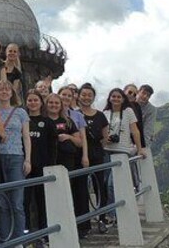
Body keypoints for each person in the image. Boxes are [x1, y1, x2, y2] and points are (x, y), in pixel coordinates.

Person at [0, 79, 30, 242]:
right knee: (1, 203)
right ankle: (5, 241)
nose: (4, 91)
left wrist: (28, 159)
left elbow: (26, 137)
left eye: (7, 89)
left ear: (12, 93)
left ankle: (19, 240)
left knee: (17, 203)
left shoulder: (21, 112)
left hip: (16, 156)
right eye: (1, 89)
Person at [58, 85, 90, 237]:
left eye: (69, 96)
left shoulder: (76, 115)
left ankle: (82, 225)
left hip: (76, 155)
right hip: (61, 157)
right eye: (63, 95)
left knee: (80, 190)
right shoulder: (52, 112)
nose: (66, 98)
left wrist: (85, 156)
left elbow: (83, 137)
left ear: (73, 98)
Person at [77, 83, 109, 234]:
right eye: (83, 94)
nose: (86, 97)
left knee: (99, 187)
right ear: (78, 95)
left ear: (93, 97)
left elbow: (105, 137)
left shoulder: (100, 115)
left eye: (89, 95)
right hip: (79, 155)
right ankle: (84, 224)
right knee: (81, 189)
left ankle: (102, 218)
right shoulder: (73, 114)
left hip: (96, 154)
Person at [24, 90, 55, 236]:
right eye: (30, 100)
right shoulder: (23, 120)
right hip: (26, 166)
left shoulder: (47, 122)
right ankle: (26, 231)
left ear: (41, 102)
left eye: (35, 100)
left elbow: (52, 146)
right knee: (25, 200)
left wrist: (51, 166)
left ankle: (45, 232)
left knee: (42, 200)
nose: (33, 103)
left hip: (43, 166)